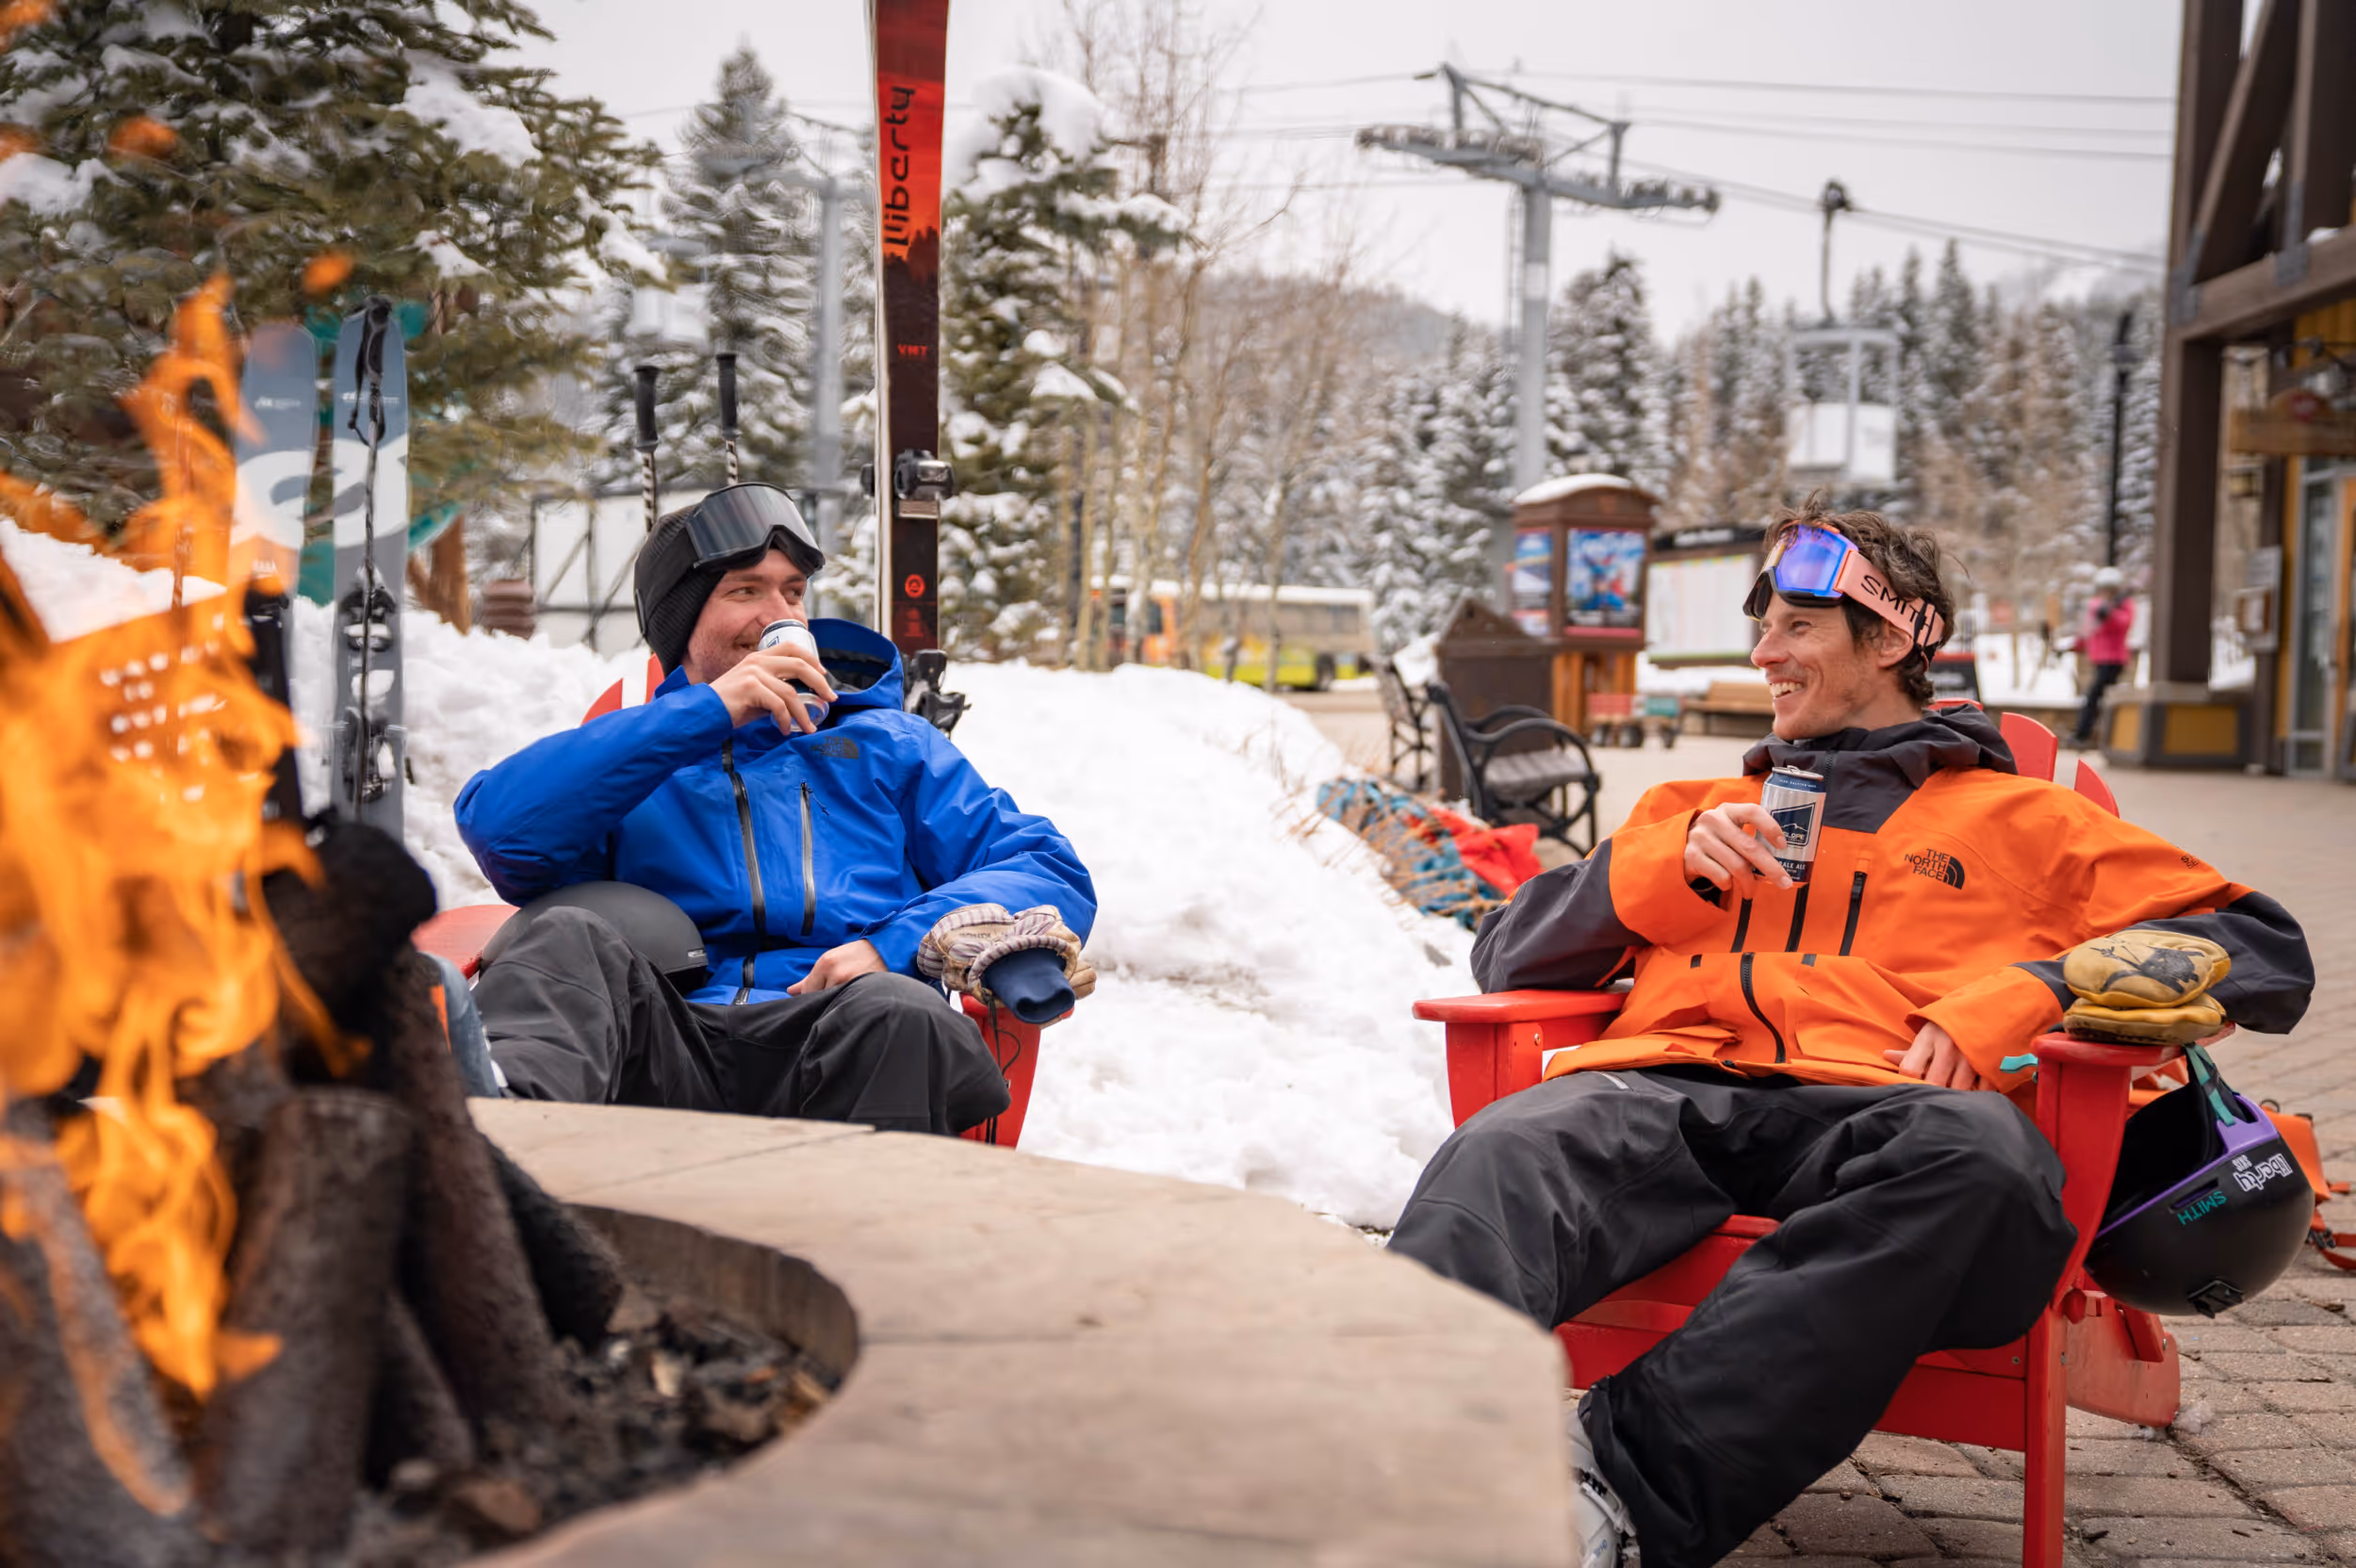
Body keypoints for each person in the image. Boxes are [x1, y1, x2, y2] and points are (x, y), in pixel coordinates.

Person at [1386, 500, 2312, 1568]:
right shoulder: (1691, 808)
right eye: (1763, 625)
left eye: (1797, 628)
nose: (1762, 652)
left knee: (1980, 1154)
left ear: (1892, 639)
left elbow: (2258, 943)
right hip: (1665, 1095)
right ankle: (1405, 1473)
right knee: (1503, 1151)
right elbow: (1506, 959)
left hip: (1893, 1116)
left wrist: (2032, 988)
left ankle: (1609, 1491)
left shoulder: (2028, 822)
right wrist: (1652, 866)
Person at [453, 483, 1096, 1135]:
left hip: (839, 1031)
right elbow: (505, 837)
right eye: (745, 591)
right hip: (665, 1042)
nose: (777, 614)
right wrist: (706, 714)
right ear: (683, 622)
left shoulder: (888, 746)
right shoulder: (636, 750)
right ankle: (503, 1158)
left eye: (792, 592)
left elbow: (1045, 865)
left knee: (899, 1009)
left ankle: (865, 1230)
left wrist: (890, 945)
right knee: (563, 934)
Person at [2070, 564, 2135, 747]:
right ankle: (2097, 735)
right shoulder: (2096, 605)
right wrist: (2077, 644)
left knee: (2094, 697)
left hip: (2114, 660)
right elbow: (2089, 627)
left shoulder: (2123, 605)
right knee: (2099, 698)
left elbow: (2124, 624)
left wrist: (2111, 613)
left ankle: (2083, 735)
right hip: (2098, 659)